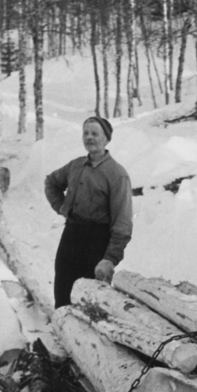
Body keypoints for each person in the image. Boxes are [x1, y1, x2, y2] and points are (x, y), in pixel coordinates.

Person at [44, 116, 133, 308]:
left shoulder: (117, 174)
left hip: (96, 243)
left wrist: (110, 258)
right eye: (86, 133)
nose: (89, 138)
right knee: (63, 292)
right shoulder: (75, 166)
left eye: (95, 133)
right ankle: (62, 331)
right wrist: (62, 208)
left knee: (91, 303)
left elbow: (123, 223)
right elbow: (51, 182)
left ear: (106, 139)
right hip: (71, 237)